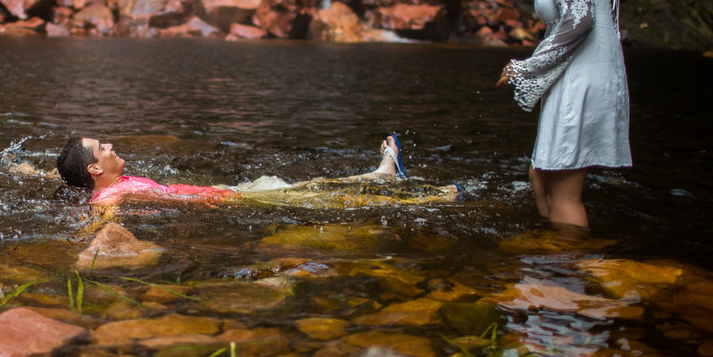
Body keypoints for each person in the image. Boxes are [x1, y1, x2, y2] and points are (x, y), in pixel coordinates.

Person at [496, 0, 631, 229]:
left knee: (563, 194)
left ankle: (567, 273)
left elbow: (580, 21)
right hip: (581, 75)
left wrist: (527, 67)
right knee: (540, 175)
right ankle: (550, 262)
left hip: (580, 81)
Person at [56, 134, 445, 206]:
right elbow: (104, 226)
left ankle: (382, 178)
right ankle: (389, 181)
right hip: (226, 202)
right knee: (314, 194)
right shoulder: (109, 196)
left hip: (220, 192)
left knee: (301, 187)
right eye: (100, 147)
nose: (109, 146)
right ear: (94, 168)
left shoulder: (109, 186)